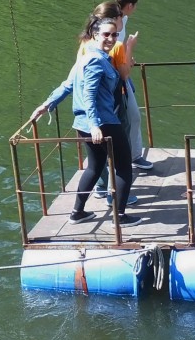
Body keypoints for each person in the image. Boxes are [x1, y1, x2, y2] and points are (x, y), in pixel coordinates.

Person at [31, 17, 140, 226]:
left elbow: (67, 85)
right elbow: (89, 95)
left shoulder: (85, 57)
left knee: (95, 166)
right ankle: (120, 217)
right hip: (102, 123)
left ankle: (77, 212)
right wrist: (95, 125)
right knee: (124, 167)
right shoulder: (97, 61)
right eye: (106, 34)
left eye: (114, 34)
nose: (110, 38)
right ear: (95, 35)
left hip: (83, 124)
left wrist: (47, 105)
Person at [111, 0, 151, 172]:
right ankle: (119, 167)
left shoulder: (122, 19)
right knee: (126, 118)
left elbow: (118, 52)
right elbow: (115, 54)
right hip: (116, 78)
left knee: (133, 116)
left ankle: (134, 156)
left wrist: (127, 53)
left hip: (122, 72)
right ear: (130, 6)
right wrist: (130, 47)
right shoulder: (114, 22)